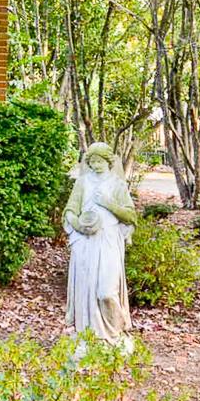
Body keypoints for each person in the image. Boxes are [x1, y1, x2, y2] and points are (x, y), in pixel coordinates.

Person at [64, 142, 137, 343]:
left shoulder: (117, 185)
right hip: (85, 243)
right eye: (92, 161)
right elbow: (70, 211)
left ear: (108, 161)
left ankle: (115, 332)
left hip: (108, 241)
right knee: (86, 292)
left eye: (99, 161)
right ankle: (89, 336)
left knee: (106, 291)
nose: (96, 165)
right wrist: (78, 225)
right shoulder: (82, 183)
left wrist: (107, 203)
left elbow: (130, 216)